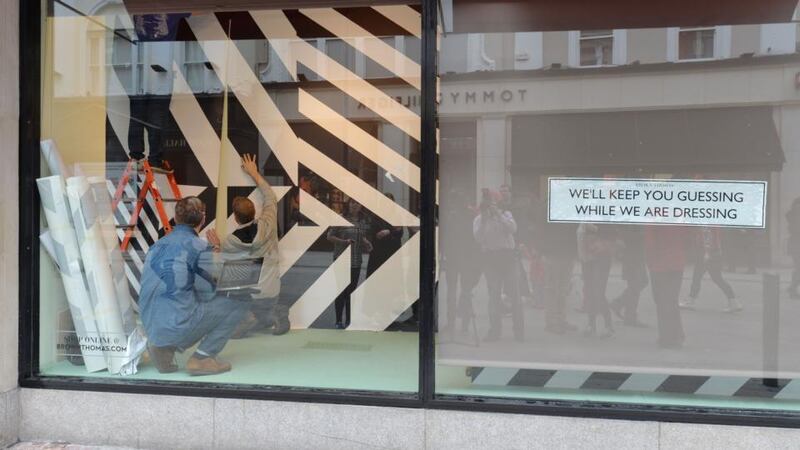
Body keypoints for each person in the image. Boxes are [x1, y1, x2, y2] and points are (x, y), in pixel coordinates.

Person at [139, 196, 249, 375]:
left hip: (151, 327)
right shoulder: (198, 247)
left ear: (175, 217)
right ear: (203, 218)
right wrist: (216, 253)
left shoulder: (156, 246)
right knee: (239, 302)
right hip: (177, 326)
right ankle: (203, 358)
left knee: (178, 299)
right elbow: (208, 294)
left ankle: (163, 349)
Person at [207, 154, 288, 337]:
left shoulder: (231, 241)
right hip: (273, 291)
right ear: (255, 211)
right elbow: (270, 196)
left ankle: (245, 318)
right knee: (263, 298)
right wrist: (254, 173)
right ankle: (273, 314)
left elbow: (218, 264)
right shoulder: (268, 223)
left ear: (235, 218)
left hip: (251, 296)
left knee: (223, 280)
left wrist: (216, 247)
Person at [473, 190, 523, 342]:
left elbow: (513, 229)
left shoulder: (506, 215)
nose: (489, 207)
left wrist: (498, 215)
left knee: (515, 295)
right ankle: (495, 331)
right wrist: (484, 219)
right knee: (494, 296)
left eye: (492, 204)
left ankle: (519, 331)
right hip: (491, 259)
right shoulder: (479, 219)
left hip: (508, 257)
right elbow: (478, 238)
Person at [327, 199, 373, 329]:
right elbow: (329, 236)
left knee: (351, 292)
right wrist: (344, 241)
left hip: (356, 260)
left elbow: (361, 235)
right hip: (341, 260)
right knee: (341, 291)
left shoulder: (362, 220)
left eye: (357, 203)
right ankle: (338, 321)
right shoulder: (340, 218)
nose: (355, 205)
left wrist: (366, 242)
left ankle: (349, 320)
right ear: (348, 204)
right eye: (352, 203)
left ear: (360, 205)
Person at [680, 227, 742, 313]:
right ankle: (734, 302)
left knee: (697, 277)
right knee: (717, 279)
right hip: (714, 253)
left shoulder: (707, 222)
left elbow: (707, 238)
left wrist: (706, 253)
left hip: (707, 253)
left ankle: (690, 301)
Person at [645, 225, 687, 349]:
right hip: (677, 261)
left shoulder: (654, 215)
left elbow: (650, 242)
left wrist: (650, 261)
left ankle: (666, 336)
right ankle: (677, 335)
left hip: (659, 264)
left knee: (661, 301)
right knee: (672, 300)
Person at [577, 223, 615, 337]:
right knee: (589, 290)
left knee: (598, 291)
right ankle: (591, 324)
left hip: (602, 255)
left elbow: (612, 231)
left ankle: (608, 326)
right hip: (586, 252)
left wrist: (595, 228)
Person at [610, 226, 649, 327]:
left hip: (636, 253)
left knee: (641, 282)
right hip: (632, 254)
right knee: (635, 285)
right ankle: (629, 316)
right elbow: (626, 234)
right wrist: (645, 234)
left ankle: (619, 304)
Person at [787, 198, 800, 299]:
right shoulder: (794, 217)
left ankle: (792, 287)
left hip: (794, 244)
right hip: (796, 245)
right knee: (798, 268)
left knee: (797, 268)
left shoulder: (792, 215)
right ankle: (792, 288)